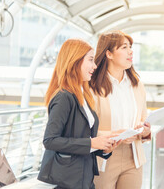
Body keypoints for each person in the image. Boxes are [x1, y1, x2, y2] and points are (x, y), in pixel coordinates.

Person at [38, 39, 120, 189]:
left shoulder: (83, 96)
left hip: (84, 177)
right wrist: (91, 143)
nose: (94, 66)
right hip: (67, 180)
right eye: (90, 60)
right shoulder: (63, 97)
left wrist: (103, 149)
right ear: (74, 61)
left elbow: (81, 139)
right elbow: (50, 140)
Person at [90, 30, 151, 189]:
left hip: (134, 157)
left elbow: (143, 118)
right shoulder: (93, 86)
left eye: (130, 47)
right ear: (109, 54)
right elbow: (86, 129)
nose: (130, 51)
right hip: (104, 157)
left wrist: (144, 130)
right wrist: (115, 136)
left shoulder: (136, 84)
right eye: (124, 47)